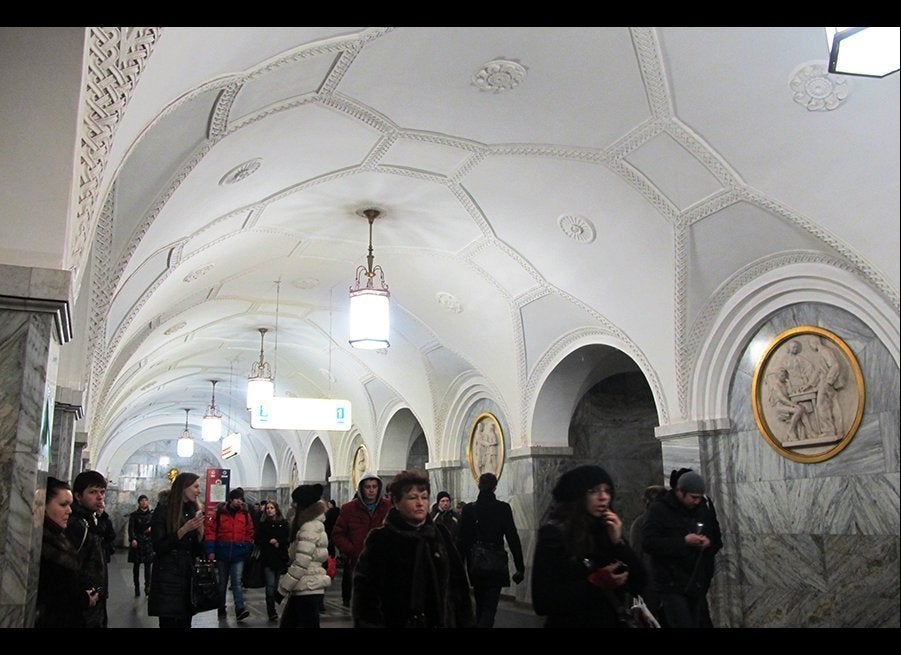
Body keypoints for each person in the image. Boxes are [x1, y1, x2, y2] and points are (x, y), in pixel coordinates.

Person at [352, 469, 474, 628]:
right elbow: (366, 594)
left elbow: (458, 585)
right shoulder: (381, 539)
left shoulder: (440, 535)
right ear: (396, 502)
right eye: (412, 498)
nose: (420, 503)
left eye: (424, 498)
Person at [531, 465, 647, 628]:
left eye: (607, 490)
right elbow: (543, 602)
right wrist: (594, 583)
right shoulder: (554, 534)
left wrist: (619, 544)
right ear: (577, 496)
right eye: (593, 491)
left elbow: (639, 583)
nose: (603, 497)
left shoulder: (608, 531)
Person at [642, 469, 722, 629]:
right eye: (693, 497)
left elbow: (714, 537)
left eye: (700, 497)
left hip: (696, 582)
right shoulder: (659, 510)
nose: (697, 501)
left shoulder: (701, 509)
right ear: (680, 492)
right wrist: (683, 541)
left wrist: (707, 542)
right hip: (672, 584)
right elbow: (649, 543)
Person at [458, 472, 526, 628]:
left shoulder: (469, 510)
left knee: (480, 604)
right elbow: (512, 538)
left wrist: (459, 567)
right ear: (495, 487)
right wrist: (520, 567)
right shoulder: (503, 508)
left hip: (475, 563)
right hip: (496, 563)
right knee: (490, 606)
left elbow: (463, 540)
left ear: (478, 486)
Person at [36, 477, 99, 628]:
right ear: (42, 506)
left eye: (70, 505)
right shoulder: (42, 545)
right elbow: (55, 593)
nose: (69, 511)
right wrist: (83, 598)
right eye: (63, 504)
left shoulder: (57, 537)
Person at [147, 472, 206, 629]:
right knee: (169, 622)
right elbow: (159, 546)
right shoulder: (164, 510)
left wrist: (200, 533)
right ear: (183, 487)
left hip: (186, 578)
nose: (198, 491)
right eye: (195, 486)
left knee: (185, 622)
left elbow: (196, 551)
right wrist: (183, 530)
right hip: (167, 579)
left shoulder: (191, 510)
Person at [331, 471, 392, 607]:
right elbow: (338, 534)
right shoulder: (349, 508)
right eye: (368, 487)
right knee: (362, 599)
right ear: (361, 489)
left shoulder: (388, 507)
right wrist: (351, 550)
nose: (371, 490)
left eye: (374, 487)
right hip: (358, 559)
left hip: (382, 560)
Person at [277, 484, 331, 628]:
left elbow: (301, 562)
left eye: (295, 501)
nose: (293, 504)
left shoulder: (309, 527)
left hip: (308, 587)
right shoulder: (309, 524)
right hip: (305, 586)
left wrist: (282, 589)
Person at [65, 469, 109, 628]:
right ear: (78, 496)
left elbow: (108, 537)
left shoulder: (90, 519)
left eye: (102, 492)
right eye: (93, 492)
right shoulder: (76, 524)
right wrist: (85, 591)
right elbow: (70, 565)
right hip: (84, 600)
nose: (100, 497)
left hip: (94, 597)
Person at [204, 486, 255, 621]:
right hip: (222, 552)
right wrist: (211, 550)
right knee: (222, 582)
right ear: (231, 500)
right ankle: (221, 606)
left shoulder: (245, 514)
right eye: (237, 499)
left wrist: (246, 546)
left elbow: (250, 532)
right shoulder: (220, 513)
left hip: (238, 553)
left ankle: (240, 609)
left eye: (241, 499)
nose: (240, 502)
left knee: (237, 581)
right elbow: (211, 532)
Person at [628, 484, 666, 625]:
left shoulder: (641, 522)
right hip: (652, 579)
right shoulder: (643, 523)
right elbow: (637, 553)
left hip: (653, 579)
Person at [255, 499, 290, 622]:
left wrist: (279, 542)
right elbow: (258, 539)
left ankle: (274, 606)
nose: (269, 510)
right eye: (268, 508)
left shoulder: (283, 523)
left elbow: (287, 538)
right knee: (270, 587)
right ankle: (271, 611)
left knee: (275, 586)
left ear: (276, 509)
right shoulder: (262, 525)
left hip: (279, 558)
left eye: (272, 508)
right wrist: (269, 541)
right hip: (268, 559)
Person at [804, 334, 845, 438]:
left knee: (821, 405)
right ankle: (837, 430)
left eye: (810, 345)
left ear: (814, 343)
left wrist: (829, 381)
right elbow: (818, 371)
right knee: (831, 405)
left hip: (826, 382)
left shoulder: (825, 351)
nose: (811, 347)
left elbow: (835, 365)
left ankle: (829, 430)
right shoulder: (820, 354)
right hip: (823, 381)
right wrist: (808, 385)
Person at [768, 367, 815, 442]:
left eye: (784, 375)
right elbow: (781, 398)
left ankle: (810, 432)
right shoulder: (776, 386)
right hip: (780, 406)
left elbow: (790, 393)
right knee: (799, 410)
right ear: (778, 376)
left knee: (802, 409)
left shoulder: (785, 384)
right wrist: (792, 405)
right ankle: (791, 430)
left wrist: (789, 385)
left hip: (786, 405)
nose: (784, 377)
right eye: (782, 376)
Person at [128, 494, 155, 597]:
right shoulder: (134, 515)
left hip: (148, 542)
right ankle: (136, 587)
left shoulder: (152, 515)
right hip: (138, 542)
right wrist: (133, 539)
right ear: (139, 502)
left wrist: (151, 530)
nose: (144, 502)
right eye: (142, 501)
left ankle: (147, 586)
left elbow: (156, 526)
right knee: (136, 565)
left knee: (148, 566)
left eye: (146, 500)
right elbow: (131, 528)